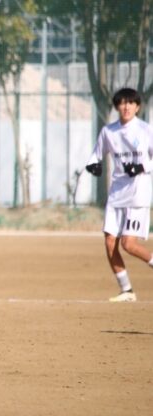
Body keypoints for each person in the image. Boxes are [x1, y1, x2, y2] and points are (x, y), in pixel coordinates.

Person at [85, 87, 153, 302]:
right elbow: (96, 156)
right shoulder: (109, 131)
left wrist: (141, 167)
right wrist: (93, 166)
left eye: (130, 103)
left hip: (137, 194)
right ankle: (127, 291)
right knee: (109, 242)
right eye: (122, 103)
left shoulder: (145, 130)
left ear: (137, 107)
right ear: (117, 106)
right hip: (116, 194)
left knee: (128, 244)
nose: (126, 107)